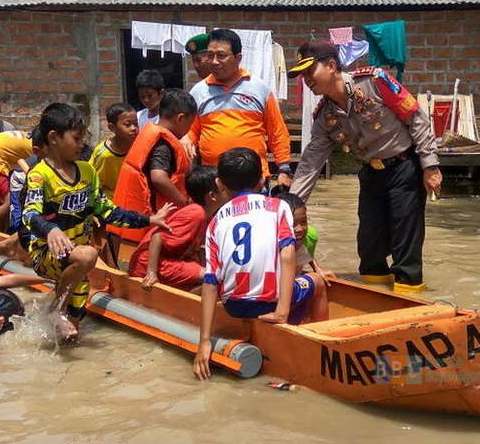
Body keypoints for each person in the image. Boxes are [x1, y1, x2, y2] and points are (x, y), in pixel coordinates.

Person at [287, 41, 442, 294]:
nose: (306, 80)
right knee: (370, 246)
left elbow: (416, 119)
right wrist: (289, 207)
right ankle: (374, 297)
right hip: (370, 172)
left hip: (404, 166)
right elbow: (310, 164)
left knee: (405, 240)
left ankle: (410, 296)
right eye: (302, 75)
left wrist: (430, 166)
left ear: (332, 66)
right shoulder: (325, 116)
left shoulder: (375, 82)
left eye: (310, 71)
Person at [22, 102, 173, 342]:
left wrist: (150, 220)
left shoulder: (87, 171)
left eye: (82, 138)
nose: (81, 144)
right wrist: (50, 230)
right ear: (53, 138)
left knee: (71, 337)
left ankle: (54, 311)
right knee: (88, 255)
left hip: (78, 266)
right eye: (76, 138)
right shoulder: (40, 175)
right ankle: (56, 309)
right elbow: (29, 214)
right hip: (48, 255)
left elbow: (109, 211)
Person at [193, 147, 328, 380]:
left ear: (219, 183)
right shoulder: (278, 206)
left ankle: (262, 330)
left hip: (234, 306)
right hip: (269, 304)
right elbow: (287, 254)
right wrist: (282, 311)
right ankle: (319, 340)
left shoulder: (216, 221)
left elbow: (211, 280)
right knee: (317, 282)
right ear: (262, 180)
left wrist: (204, 341)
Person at [186, 29, 293, 187]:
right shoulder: (198, 91)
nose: (214, 61)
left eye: (221, 55)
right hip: (214, 181)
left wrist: (284, 169)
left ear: (238, 58)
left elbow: (277, 131)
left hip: (254, 179)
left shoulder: (259, 88)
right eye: (210, 55)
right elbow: (190, 133)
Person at [109, 89, 196, 242]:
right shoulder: (163, 143)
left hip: (128, 221)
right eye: (190, 123)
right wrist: (185, 203)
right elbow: (159, 177)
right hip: (141, 227)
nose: (189, 129)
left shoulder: (150, 133)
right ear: (181, 118)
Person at [128, 165, 223, 291]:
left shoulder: (206, 215)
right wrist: (151, 273)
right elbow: (157, 237)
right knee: (212, 276)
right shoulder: (197, 213)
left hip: (166, 261)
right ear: (212, 196)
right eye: (224, 189)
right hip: (146, 265)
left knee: (214, 271)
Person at [276, 192, 334, 283]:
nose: (300, 229)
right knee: (317, 282)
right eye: (292, 224)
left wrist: (317, 268)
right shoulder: (269, 245)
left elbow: (305, 254)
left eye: (303, 221)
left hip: (291, 277)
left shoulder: (308, 237)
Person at [88, 102, 139, 200]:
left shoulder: (137, 144)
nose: (133, 128)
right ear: (112, 127)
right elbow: (94, 186)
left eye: (136, 124)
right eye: (127, 124)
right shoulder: (104, 155)